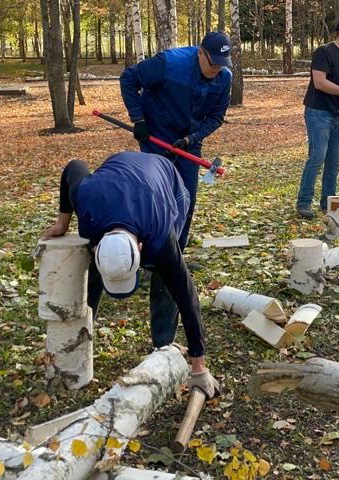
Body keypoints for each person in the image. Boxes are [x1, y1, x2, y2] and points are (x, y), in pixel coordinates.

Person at [41, 151, 221, 399]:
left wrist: (199, 367)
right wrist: (63, 222)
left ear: (139, 249)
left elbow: (188, 298)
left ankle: (163, 345)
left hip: (167, 180)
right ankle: (81, 339)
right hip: (116, 178)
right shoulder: (85, 201)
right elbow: (74, 165)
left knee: (169, 279)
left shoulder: (161, 236)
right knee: (91, 275)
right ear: (97, 247)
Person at [120, 31, 233, 247]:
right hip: (156, 134)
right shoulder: (168, 64)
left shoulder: (224, 78)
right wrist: (138, 119)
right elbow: (128, 79)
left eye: (222, 64)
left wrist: (192, 138)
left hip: (189, 140)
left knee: (186, 197)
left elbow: (217, 116)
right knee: (157, 195)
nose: (216, 69)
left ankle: (177, 253)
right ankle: (150, 253)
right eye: (213, 64)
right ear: (201, 53)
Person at [295, 16, 339, 219]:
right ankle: (304, 202)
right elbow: (319, 82)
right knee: (317, 157)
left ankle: (328, 202)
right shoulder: (324, 52)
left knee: (334, 161)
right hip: (319, 112)